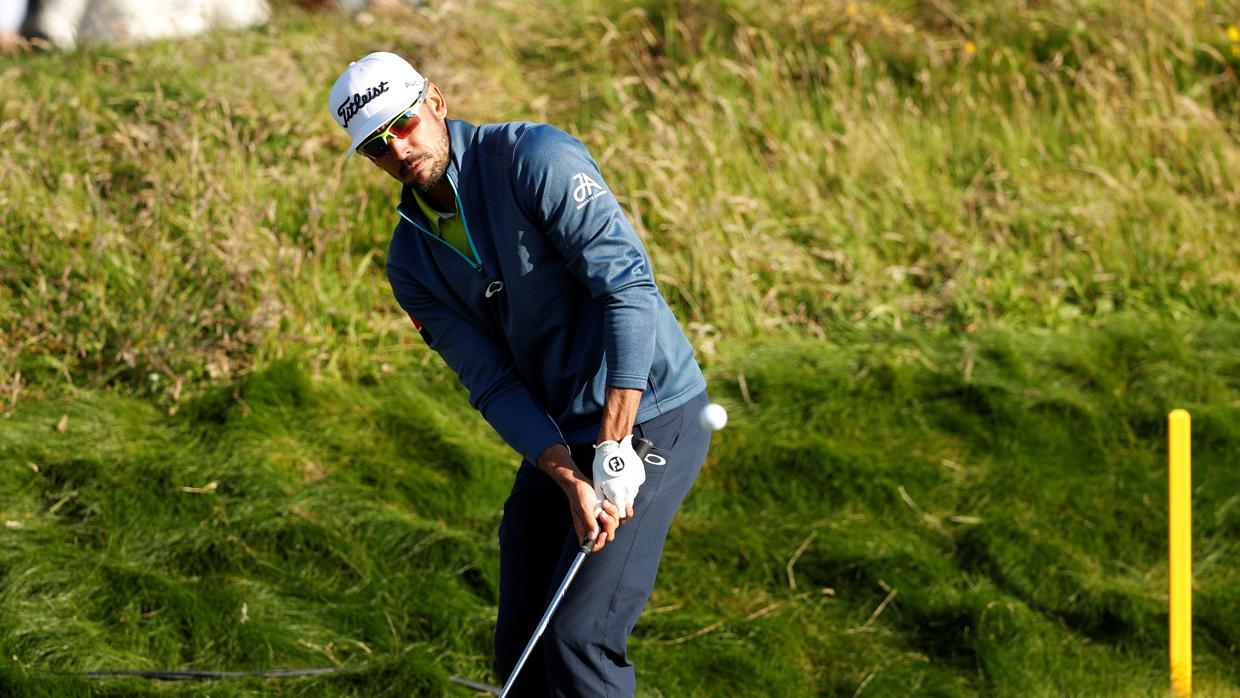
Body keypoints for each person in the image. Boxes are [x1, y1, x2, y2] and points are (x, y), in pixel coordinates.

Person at [328, 51, 711, 697]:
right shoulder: (410, 262)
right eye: (376, 145)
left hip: (651, 413)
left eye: (404, 123)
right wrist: (566, 473)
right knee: (521, 648)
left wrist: (615, 445)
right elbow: (493, 383)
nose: (398, 148)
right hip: (564, 431)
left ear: (437, 102)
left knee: (578, 639)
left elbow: (627, 290)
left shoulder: (535, 158)